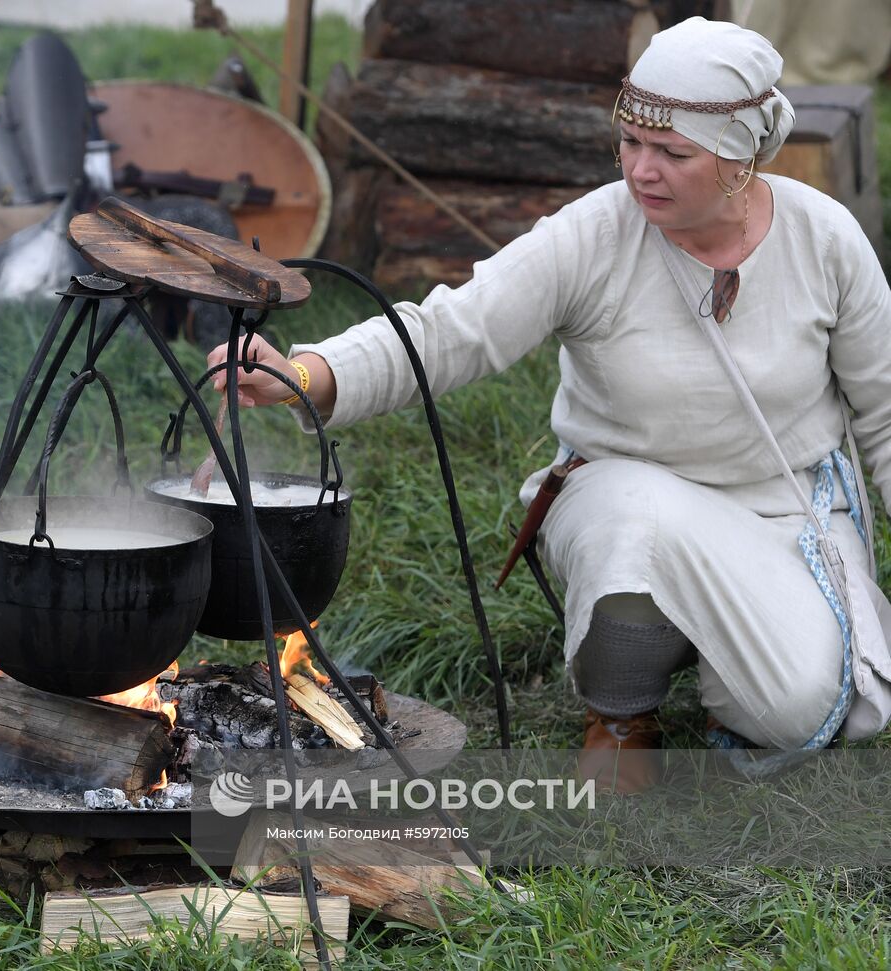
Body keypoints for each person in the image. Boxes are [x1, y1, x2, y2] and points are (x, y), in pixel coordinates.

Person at [207, 17, 891, 791]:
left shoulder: (825, 238)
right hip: (631, 502)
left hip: (787, 511)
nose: (641, 170)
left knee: (799, 711)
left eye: (673, 152)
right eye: (629, 142)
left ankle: (721, 678)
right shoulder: (595, 236)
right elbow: (449, 332)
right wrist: (310, 370)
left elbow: (886, 411)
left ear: (741, 155)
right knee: (638, 516)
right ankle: (624, 710)